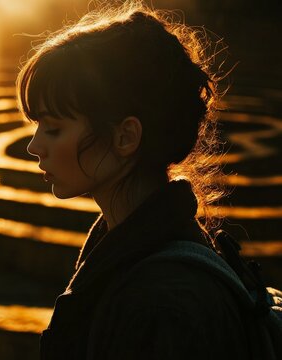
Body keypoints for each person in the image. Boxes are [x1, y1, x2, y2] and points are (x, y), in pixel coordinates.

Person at [16, 1, 254, 359]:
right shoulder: (127, 247)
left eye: (53, 128)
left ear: (125, 137)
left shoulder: (163, 305)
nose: (35, 147)